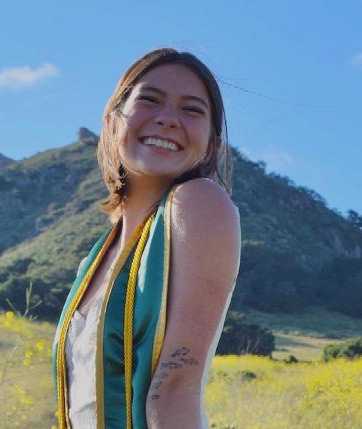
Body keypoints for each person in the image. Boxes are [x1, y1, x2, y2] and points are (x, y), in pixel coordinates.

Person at [52, 47, 241, 429]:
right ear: (112, 122)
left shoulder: (198, 203)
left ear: (212, 145)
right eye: (149, 100)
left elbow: (173, 386)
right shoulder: (94, 259)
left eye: (192, 110)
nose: (168, 119)